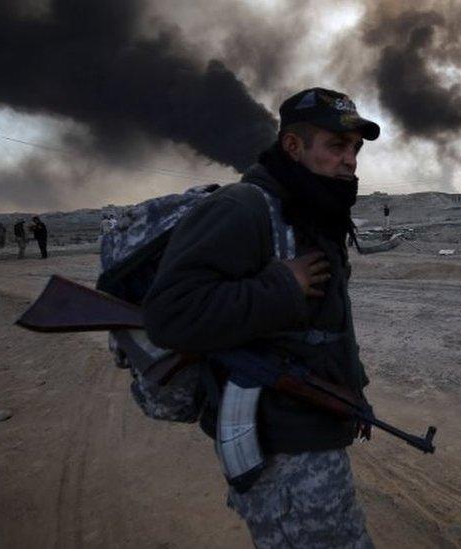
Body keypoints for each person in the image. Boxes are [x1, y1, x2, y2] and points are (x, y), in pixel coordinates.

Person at [143, 87, 379, 548]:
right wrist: (280, 287)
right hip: (278, 446)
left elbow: (325, 331)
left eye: (355, 148)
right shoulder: (243, 208)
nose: (351, 160)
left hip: (315, 429)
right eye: (336, 146)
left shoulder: (313, 212)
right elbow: (168, 314)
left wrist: (353, 392)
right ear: (293, 146)